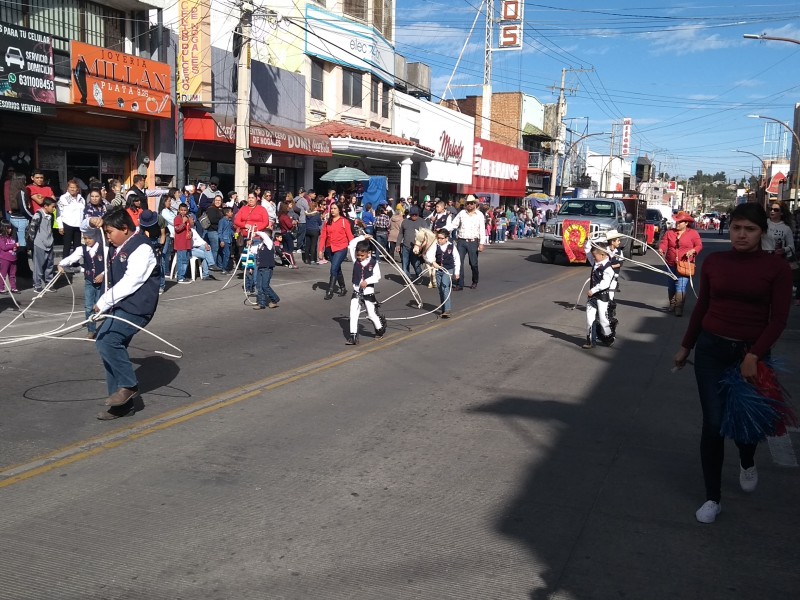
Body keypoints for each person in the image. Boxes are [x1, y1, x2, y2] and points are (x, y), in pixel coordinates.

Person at [673, 203, 792, 524]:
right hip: (711, 350)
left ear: (761, 232)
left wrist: (754, 355)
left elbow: (778, 319)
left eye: (749, 229)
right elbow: (701, 308)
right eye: (737, 228)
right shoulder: (715, 262)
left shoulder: (776, 269)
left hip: (751, 355)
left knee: (744, 423)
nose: (742, 235)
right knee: (713, 424)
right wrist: (686, 346)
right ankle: (713, 498)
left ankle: (747, 459)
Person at [89, 208, 160, 420]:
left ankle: (128, 386)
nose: (107, 237)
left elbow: (132, 281)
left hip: (137, 307)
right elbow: (88, 231)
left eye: (110, 232)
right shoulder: (118, 243)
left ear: (125, 229)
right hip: (120, 306)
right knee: (105, 344)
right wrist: (94, 222)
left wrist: (103, 302)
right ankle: (122, 406)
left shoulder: (142, 248)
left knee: (108, 341)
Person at [57, 226, 105, 338]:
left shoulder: (104, 249)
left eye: (89, 238)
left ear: (95, 237)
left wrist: (102, 274)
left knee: (100, 306)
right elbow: (71, 258)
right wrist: (61, 264)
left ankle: (105, 327)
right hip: (89, 281)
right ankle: (91, 330)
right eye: (85, 238)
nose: (87, 240)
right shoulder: (82, 249)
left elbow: (110, 264)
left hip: (102, 282)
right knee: (88, 306)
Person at [658, 211, 702, 316]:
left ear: (686, 223)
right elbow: (664, 243)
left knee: (680, 286)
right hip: (671, 263)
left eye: (680, 222)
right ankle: (672, 304)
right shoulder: (669, 232)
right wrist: (661, 249)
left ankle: (679, 307)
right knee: (671, 286)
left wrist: (693, 251)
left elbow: (699, 245)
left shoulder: (693, 233)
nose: (677, 224)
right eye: (676, 222)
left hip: (685, 265)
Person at [345, 235, 386, 345]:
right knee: (353, 313)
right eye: (358, 255)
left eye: (362, 255)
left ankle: (380, 329)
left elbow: (377, 276)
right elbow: (351, 245)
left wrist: (367, 281)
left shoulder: (374, 263)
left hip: (368, 292)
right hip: (357, 292)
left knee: (371, 314)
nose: (359, 257)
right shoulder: (356, 260)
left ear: (368, 253)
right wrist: (363, 237)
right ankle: (353, 336)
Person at [445, 195, 486, 290]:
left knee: (473, 263)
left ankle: (475, 281)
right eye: (468, 203)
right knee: (459, 262)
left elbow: (482, 230)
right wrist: (443, 230)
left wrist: (481, 243)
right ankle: (460, 284)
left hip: (473, 241)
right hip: (461, 241)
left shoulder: (479, 215)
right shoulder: (462, 213)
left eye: (472, 203)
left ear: (475, 204)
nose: (470, 205)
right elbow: (453, 225)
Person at [582, 242, 616, 349]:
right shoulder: (595, 262)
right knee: (589, 318)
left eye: (595, 256)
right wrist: (589, 240)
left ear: (602, 255)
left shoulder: (608, 268)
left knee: (603, 320)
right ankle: (591, 341)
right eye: (593, 256)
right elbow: (588, 251)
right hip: (592, 297)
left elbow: (605, 283)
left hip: (602, 297)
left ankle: (609, 338)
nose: (593, 258)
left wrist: (593, 290)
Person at [318, 202, 354, 300]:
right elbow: (323, 236)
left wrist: (355, 248)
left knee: (333, 268)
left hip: (341, 248)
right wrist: (320, 250)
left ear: (339, 210)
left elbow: (350, 236)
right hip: (330, 248)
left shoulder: (344, 221)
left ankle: (330, 290)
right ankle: (343, 288)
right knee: (337, 268)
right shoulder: (327, 222)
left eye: (335, 208)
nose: (332, 210)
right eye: (331, 208)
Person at [424, 228, 460, 318]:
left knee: (445, 287)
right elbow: (428, 256)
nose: (439, 240)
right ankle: (443, 309)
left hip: (448, 270)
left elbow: (457, 259)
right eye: (438, 238)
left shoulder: (452, 246)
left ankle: (447, 310)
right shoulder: (435, 246)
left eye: (441, 238)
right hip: (438, 270)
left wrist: (457, 272)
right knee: (440, 290)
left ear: (446, 238)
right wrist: (433, 262)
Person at [249, 228, 280, 310]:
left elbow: (264, 236)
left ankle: (274, 299)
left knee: (265, 286)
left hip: (267, 268)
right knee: (259, 286)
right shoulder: (260, 245)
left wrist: (256, 232)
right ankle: (261, 303)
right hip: (260, 268)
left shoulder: (269, 243)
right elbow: (252, 250)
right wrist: (249, 244)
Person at [31, 197, 57, 293]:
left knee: (49, 264)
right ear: (45, 206)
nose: (54, 209)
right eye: (52, 207)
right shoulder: (38, 215)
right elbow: (32, 230)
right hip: (40, 244)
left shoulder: (51, 216)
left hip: (49, 243)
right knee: (39, 265)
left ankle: (49, 283)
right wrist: (33, 242)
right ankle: (37, 285)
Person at [57, 179, 85, 259]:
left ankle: (75, 262)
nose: (72, 189)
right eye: (71, 187)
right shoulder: (63, 198)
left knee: (77, 246)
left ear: (78, 189)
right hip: (67, 224)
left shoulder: (81, 199)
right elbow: (59, 213)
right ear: (67, 188)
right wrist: (60, 226)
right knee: (67, 245)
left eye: (74, 187)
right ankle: (65, 263)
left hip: (78, 225)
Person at [397, 206, 427, 280]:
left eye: (415, 215)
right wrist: (397, 244)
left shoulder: (422, 222)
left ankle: (419, 277)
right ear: (410, 214)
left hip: (416, 247)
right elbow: (401, 234)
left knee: (416, 264)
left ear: (418, 214)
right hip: (405, 246)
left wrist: (423, 246)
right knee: (405, 264)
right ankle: (407, 279)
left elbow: (426, 234)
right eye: (412, 215)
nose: (414, 216)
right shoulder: (405, 222)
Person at [172, 203, 194, 284]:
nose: (183, 212)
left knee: (186, 259)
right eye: (181, 210)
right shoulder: (177, 218)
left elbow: (190, 228)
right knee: (181, 260)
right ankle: (180, 277)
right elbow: (177, 229)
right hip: (181, 243)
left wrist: (191, 229)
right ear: (178, 210)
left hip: (187, 242)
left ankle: (183, 276)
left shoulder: (187, 218)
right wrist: (183, 223)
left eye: (185, 210)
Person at [0, 220, 19, 293]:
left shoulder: (11, 238)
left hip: (13, 258)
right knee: (3, 274)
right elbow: (4, 247)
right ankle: (1, 288)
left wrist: (15, 248)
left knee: (12, 275)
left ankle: (13, 288)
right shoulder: (1, 238)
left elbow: (13, 246)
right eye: (8, 228)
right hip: (4, 259)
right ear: (3, 228)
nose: (10, 230)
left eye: (10, 228)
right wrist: (14, 245)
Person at [304, 200, 322, 265]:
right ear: (315, 207)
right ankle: (312, 260)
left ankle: (306, 259)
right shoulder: (317, 215)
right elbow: (320, 223)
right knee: (313, 245)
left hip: (307, 230)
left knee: (307, 245)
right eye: (316, 207)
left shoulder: (307, 214)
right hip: (314, 231)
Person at [217, 207, 234, 272]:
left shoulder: (230, 221)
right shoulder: (222, 221)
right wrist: (221, 240)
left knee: (226, 254)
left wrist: (234, 234)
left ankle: (223, 267)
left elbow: (230, 230)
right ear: (227, 213)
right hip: (225, 239)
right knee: (226, 254)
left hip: (229, 239)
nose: (232, 213)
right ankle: (224, 268)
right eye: (230, 212)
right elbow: (220, 231)